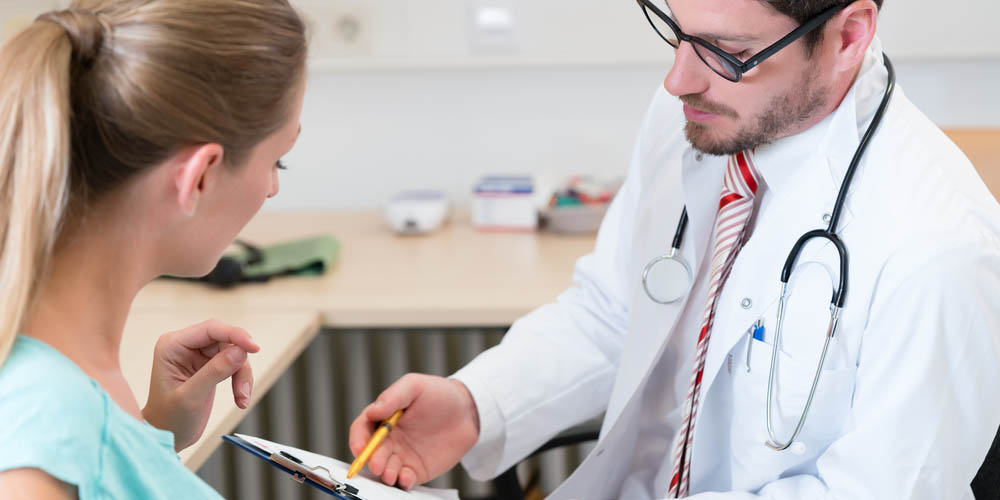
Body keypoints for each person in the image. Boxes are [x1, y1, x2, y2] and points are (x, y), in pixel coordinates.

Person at [349, 0, 1000, 498]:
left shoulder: (937, 247)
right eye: (677, 31)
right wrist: (477, 403)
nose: (677, 79)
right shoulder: (695, 120)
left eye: (724, 50)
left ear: (848, 36)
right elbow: (613, 312)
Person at [0, 1, 306, 498]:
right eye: (278, 161)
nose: (271, 188)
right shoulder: (42, 429)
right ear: (200, 177)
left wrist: (147, 437)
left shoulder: (64, 379)